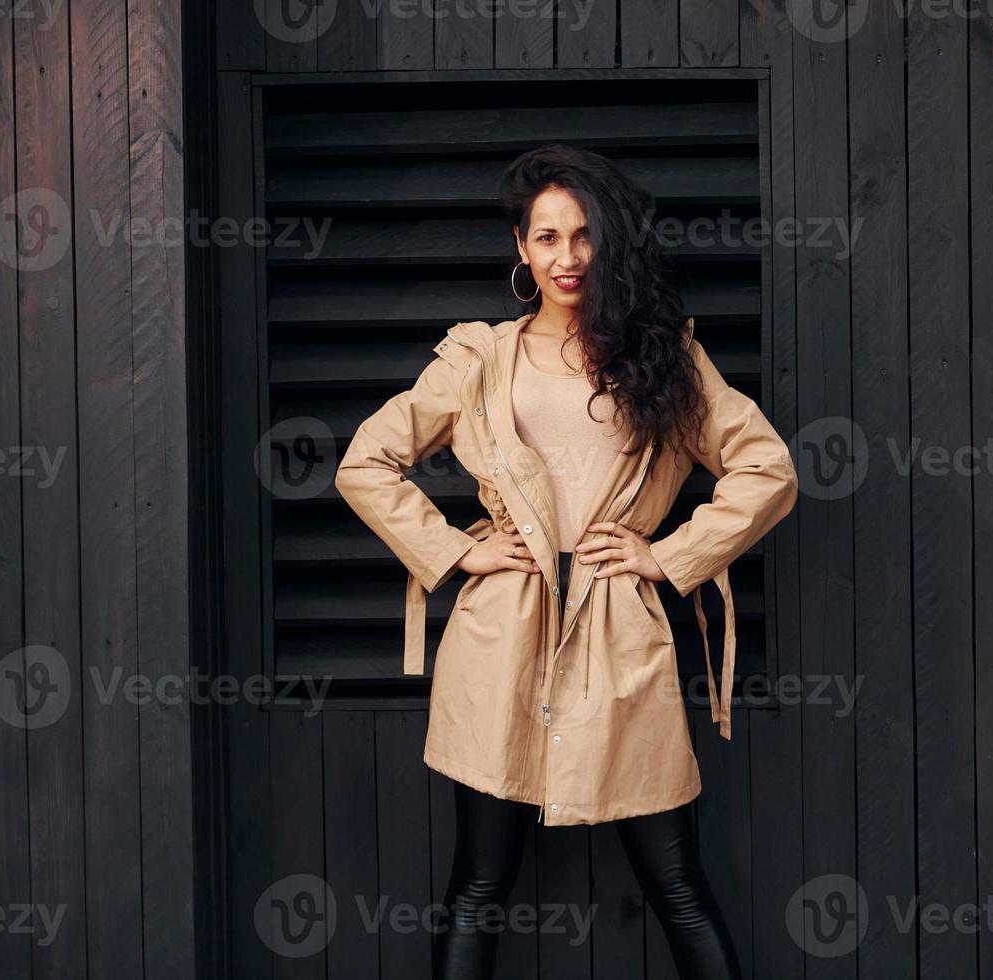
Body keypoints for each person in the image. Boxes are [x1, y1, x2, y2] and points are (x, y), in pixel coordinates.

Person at [335, 143, 799, 979]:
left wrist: (665, 556)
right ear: (521, 247)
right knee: (477, 885)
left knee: (679, 884)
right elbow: (364, 462)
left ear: (608, 244)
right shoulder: (480, 360)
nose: (567, 257)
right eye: (546, 237)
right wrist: (453, 552)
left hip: (619, 635)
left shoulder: (661, 354)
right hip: (500, 637)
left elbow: (766, 467)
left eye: (583, 236)